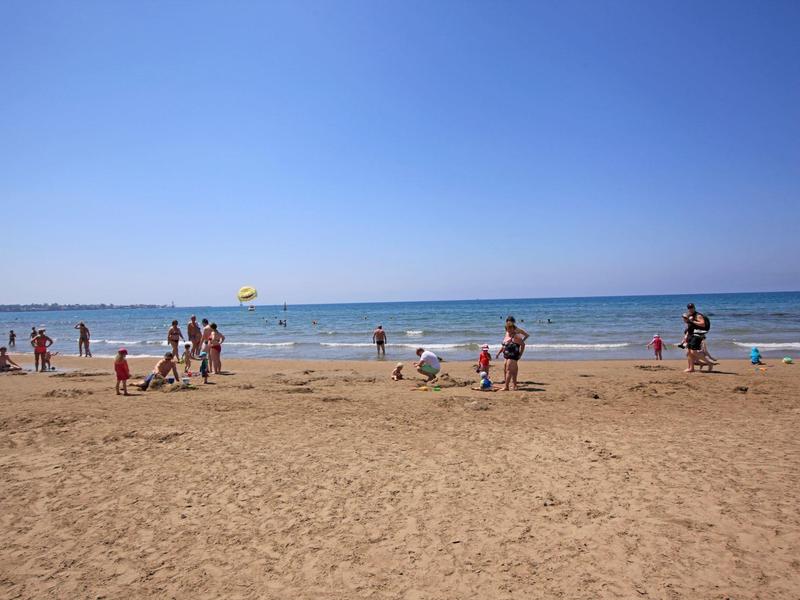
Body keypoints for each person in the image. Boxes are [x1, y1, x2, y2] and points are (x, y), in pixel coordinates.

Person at [495, 316, 529, 391]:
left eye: (510, 328)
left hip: (513, 355)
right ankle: (512, 385)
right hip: (506, 354)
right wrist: (498, 353)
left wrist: (520, 354)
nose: (509, 329)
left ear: (513, 328)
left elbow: (523, 344)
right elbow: (504, 345)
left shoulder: (516, 335)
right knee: (506, 369)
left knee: (509, 370)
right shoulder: (507, 333)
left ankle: (507, 386)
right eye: (508, 328)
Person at [681, 303, 716, 373]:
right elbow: (689, 327)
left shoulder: (698, 315)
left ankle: (709, 363)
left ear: (694, 308)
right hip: (691, 335)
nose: (690, 309)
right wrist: (685, 336)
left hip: (697, 335)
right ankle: (691, 368)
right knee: (688, 353)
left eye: (692, 307)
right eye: (689, 308)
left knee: (693, 352)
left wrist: (692, 321)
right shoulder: (689, 316)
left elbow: (703, 324)